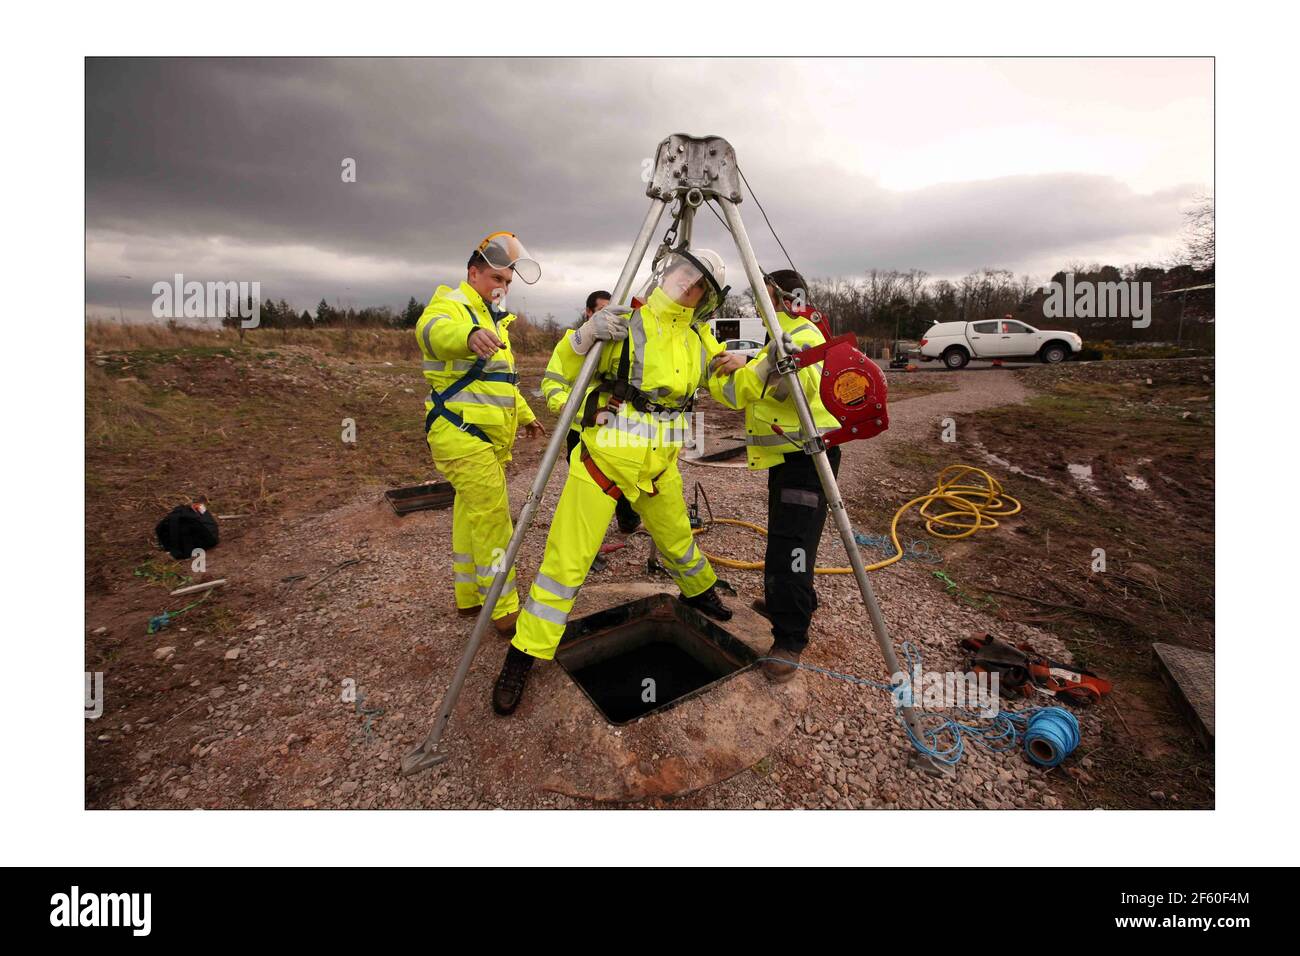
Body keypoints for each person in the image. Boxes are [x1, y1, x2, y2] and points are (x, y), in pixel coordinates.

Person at [491, 248, 734, 715]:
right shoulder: (625, 322)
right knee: (566, 562)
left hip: (660, 465)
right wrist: (582, 344)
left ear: (706, 297)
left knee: (678, 537)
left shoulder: (701, 338)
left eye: (699, 283)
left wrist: (759, 370)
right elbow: (558, 380)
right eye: (685, 273)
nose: (687, 284)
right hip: (604, 463)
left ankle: (700, 590)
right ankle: (524, 654)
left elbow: (728, 386)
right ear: (668, 272)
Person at [707, 269, 840, 682]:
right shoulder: (777, 338)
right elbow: (756, 382)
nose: (759, 307)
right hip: (791, 458)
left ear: (786, 298)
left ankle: (790, 639)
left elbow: (803, 387)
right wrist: (758, 361)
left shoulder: (803, 335)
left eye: (765, 298)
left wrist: (758, 366)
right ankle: (794, 604)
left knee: (789, 547)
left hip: (807, 459)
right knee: (791, 538)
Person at [414, 231, 546, 636]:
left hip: (484, 438)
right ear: (473, 273)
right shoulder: (452, 306)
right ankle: (503, 607)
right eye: (496, 279)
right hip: (459, 434)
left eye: (507, 282)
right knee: (492, 517)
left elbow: (501, 382)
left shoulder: (495, 322)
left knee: (470, 516)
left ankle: (470, 597)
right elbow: (430, 332)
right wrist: (467, 337)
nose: (503, 288)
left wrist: (526, 416)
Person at [540, 290, 642, 534]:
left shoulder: (621, 344)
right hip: (580, 430)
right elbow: (552, 382)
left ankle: (628, 522)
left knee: (623, 479)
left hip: (614, 427)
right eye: (601, 311)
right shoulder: (573, 343)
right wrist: (566, 406)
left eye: (612, 311)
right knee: (587, 488)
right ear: (588, 313)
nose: (608, 319)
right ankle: (584, 545)